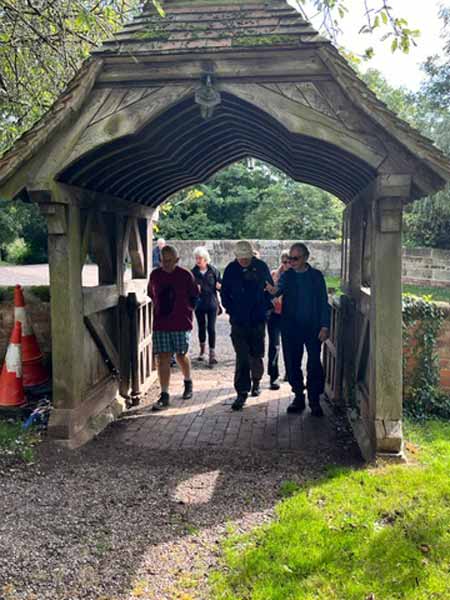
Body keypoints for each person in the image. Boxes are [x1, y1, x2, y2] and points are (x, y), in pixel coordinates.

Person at [266, 243, 330, 417]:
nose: (291, 261)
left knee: (314, 364)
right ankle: (298, 397)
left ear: (305, 257)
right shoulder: (288, 276)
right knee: (292, 363)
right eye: (289, 258)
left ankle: (314, 400)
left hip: (313, 327)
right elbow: (277, 291)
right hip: (291, 327)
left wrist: (325, 326)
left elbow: (323, 301)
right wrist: (271, 290)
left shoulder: (316, 276)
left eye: (295, 258)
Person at [221, 240, 273, 411]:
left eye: (246, 258)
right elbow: (225, 293)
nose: (244, 261)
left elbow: (270, 289)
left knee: (256, 354)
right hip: (239, 321)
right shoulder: (231, 269)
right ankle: (242, 392)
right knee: (242, 356)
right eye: (241, 258)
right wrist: (231, 310)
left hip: (257, 319)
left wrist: (265, 308)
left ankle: (256, 381)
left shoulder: (261, 267)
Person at [148, 245, 199, 411]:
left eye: (170, 261)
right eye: (163, 261)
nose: (166, 264)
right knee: (163, 357)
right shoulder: (155, 275)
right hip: (161, 323)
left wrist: (186, 312)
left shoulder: (185, 275)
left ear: (177, 260)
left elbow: (194, 296)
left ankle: (188, 381)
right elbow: (151, 294)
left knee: (181, 355)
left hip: (181, 322)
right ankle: (164, 393)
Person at [191, 246, 222, 366]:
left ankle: (212, 353)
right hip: (199, 304)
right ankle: (202, 351)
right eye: (196, 258)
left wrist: (220, 287)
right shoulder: (193, 272)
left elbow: (221, 286)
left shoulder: (214, 271)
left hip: (212, 303)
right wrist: (195, 290)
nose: (198, 260)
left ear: (205, 259)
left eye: (200, 258)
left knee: (211, 328)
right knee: (201, 327)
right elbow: (188, 290)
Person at [267, 250, 290, 391]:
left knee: (290, 345)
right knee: (274, 346)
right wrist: (272, 299)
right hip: (274, 315)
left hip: (289, 315)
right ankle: (273, 376)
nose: (287, 265)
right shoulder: (274, 275)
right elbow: (266, 292)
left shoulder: (294, 276)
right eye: (284, 262)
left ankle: (289, 372)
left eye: (289, 262)